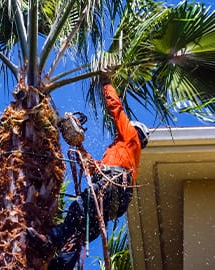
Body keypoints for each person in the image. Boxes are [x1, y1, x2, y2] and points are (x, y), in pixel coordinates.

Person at [27, 74, 149, 269]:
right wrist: (80, 148)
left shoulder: (130, 138)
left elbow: (116, 110)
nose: (119, 131)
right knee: (80, 232)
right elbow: (95, 169)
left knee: (78, 208)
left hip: (112, 188)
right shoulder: (124, 157)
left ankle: (50, 239)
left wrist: (106, 83)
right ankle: (61, 266)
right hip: (116, 199)